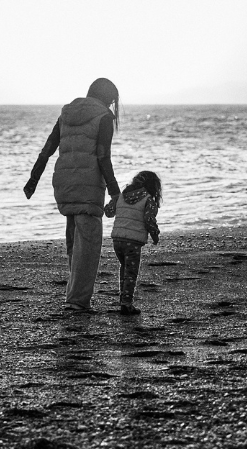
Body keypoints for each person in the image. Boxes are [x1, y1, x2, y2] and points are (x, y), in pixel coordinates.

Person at [24, 78, 121, 312]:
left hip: (65, 184)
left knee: (74, 243)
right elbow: (103, 158)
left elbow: (47, 149)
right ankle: (77, 301)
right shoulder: (104, 117)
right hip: (88, 188)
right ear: (108, 98)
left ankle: (75, 296)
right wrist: (115, 193)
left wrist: (33, 179)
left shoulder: (67, 113)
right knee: (88, 247)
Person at [104, 171, 162, 315]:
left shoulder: (121, 197)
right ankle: (127, 304)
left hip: (117, 239)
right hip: (133, 242)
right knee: (131, 273)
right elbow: (149, 220)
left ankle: (123, 300)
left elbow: (109, 212)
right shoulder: (149, 200)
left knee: (124, 269)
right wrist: (155, 235)